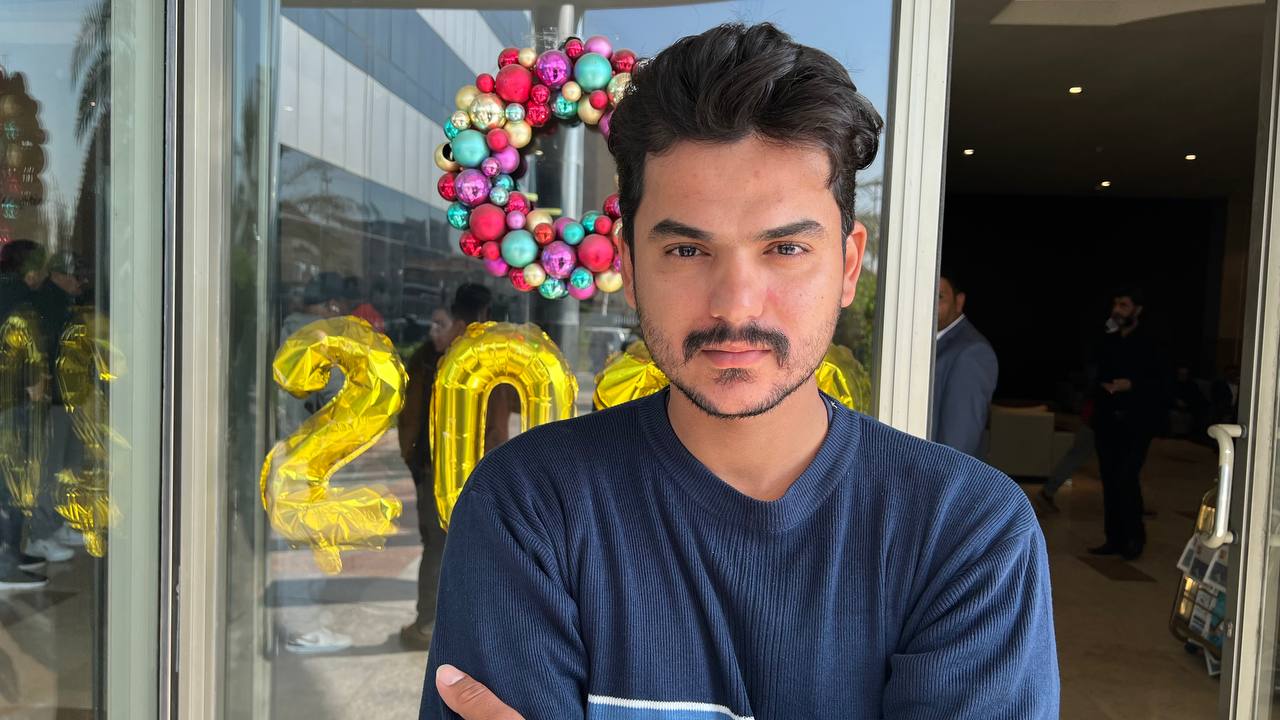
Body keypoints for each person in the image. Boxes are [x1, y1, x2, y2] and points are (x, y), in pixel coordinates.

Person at [420, 23, 1057, 720]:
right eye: (688, 252)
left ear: (847, 265)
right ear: (630, 270)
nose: (735, 305)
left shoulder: (964, 531)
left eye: (784, 248)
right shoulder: (532, 508)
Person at [397, 282, 516, 650]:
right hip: (478, 469)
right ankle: (467, 628)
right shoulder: (490, 360)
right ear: (482, 316)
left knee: (438, 546)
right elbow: (501, 420)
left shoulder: (428, 359)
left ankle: (429, 625)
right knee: (469, 548)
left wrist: (416, 463)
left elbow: (410, 421)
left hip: (440, 470)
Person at [1089, 287, 1160, 561]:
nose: (1118, 309)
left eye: (1124, 305)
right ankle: (1113, 538)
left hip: (1136, 422)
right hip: (1107, 420)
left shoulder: (1150, 341)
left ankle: (1134, 537)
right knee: (1109, 479)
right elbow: (1094, 359)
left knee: (1126, 478)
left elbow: (1161, 382)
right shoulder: (1110, 337)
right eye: (1115, 304)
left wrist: (1132, 385)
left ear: (1137, 310)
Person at [931, 269, 999, 457]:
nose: (929, 302)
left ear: (959, 302)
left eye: (938, 296)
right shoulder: (930, 343)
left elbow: (957, 447)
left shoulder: (972, 353)